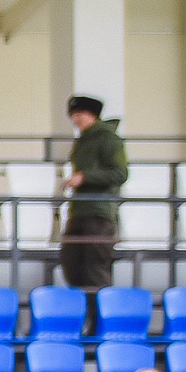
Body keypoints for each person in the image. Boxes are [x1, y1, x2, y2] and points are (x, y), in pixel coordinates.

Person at [61, 96, 128, 290]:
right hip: (80, 211)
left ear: (92, 115)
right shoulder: (83, 141)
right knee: (72, 264)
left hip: (99, 213)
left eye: (79, 114)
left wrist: (85, 177)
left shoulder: (109, 139)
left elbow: (119, 173)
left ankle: (101, 318)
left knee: (95, 268)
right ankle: (86, 315)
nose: (76, 119)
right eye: (74, 115)